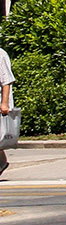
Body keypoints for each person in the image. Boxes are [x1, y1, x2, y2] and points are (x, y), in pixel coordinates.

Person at [0, 45, 14, 177]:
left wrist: (4, 103)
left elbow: (6, 81)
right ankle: (2, 162)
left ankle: (2, 163)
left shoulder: (0, 54)